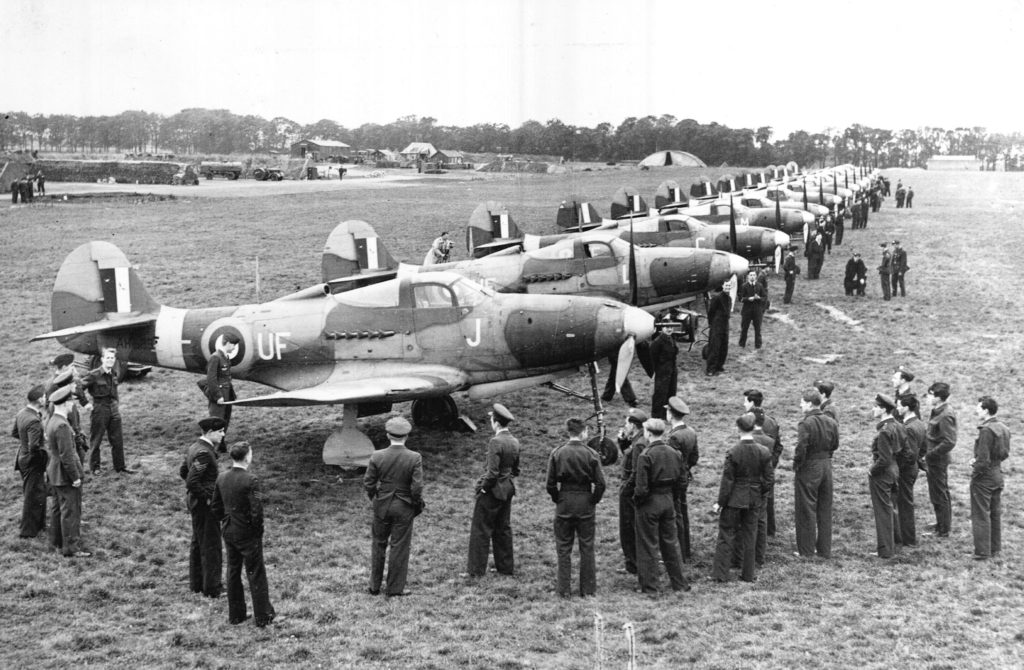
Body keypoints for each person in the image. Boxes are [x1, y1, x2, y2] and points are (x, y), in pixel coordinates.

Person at [211, 441, 277, 626]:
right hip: (248, 534)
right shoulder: (252, 480)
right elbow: (257, 510)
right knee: (256, 573)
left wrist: (226, 520)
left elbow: (215, 506)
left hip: (229, 530)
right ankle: (263, 616)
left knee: (232, 571)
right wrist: (257, 531)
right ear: (247, 456)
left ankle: (236, 615)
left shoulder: (221, 477)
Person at [545, 418, 606, 598]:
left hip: (564, 501)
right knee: (587, 546)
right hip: (585, 502)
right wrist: (593, 500)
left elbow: (550, 484)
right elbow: (601, 484)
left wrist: (559, 498)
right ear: (584, 432)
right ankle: (588, 589)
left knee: (563, 548)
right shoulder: (591, 454)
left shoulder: (557, 453)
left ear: (568, 432)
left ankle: (563, 590)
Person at [364, 416, 424, 597]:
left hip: (382, 505)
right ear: (406, 437)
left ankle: (374, 586)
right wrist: (415, 504)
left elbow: (368, 483)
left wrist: (376, 498)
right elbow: (417, 487)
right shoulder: (414, 457)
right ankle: (395, 588)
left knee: (378, 544)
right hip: (404, 507)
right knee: (399, 546)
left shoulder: (377, 456)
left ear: (388, 435)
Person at [711, 413, 773, 583]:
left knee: (726, 534)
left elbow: (727, 481)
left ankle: (720, 574)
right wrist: (760, 493)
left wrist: (720, 502)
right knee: (750, 535)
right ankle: (748, 574)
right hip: (754, 499)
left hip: (733, 499)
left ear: (738, 429)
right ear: (754, 428)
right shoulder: (764, 451)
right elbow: (769, 479)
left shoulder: (733, 451)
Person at [633, 418, 690, 593]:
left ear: (648, 433)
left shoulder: (646, 455)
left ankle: (650, 587)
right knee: (671, 544)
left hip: (650, 503)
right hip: (668, 501)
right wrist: (673, 498)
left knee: (648, 545)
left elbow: (641, 488)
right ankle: (680, 584)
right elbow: (683, 481)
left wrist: (638, 502)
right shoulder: (675, 453)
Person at [465, 404, 520, 578]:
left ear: (495, 423)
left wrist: (483, 489)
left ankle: (475, 571)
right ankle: (505, 567)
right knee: (503, 528)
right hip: (508, 488)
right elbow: (516, 469)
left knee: (480, 529)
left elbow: (492, 472)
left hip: (493, 490)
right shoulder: (514, 441)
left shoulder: (495, 442)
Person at [179, 417, 227, 598]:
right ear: (210, 433)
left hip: (195, 503)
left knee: (198, 543)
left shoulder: (194, 447)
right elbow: (192, 480)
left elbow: (183, 471)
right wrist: (209, 497)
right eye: (220, 431)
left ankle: (197, 583)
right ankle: (212, 588)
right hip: (204, 506)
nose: (223, 434)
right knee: (211, 545)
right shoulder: (205, 453)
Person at [793, 388, 839, 558]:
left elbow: (801, 448)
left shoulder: (806, 423)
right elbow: (835, 444)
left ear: (810, 404)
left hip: (809, 466)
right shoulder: (831, 422)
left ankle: (806, 551)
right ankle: (824, 550)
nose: (800, 405)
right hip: (826, 465)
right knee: (825, 508)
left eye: (802, 402)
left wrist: (797, 464)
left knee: (806, 508)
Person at [45, 384, 90, 558]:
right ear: (65, 403)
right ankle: (71, 548)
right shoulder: (63, 425)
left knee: (58, 508)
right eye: (71, 401)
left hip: (54, 472)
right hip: (65, 474)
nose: (73, 404)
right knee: (70, 510)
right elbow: (67, 456)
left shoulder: (52, 421)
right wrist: (75, 477)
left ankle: (56, 541)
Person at [81, 348, 133, 475]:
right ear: (102, 359)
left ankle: (120, 467)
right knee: (96, 439)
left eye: (112, 358)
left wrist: (116, 404)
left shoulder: (114, 373)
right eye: (107, 358)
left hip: (113, 409)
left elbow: (114, 391)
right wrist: (85, 403)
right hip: (100, 408)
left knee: (117, 440)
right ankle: (95, 468)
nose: (110, 360)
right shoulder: (94, 374)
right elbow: (78, 387)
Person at [970, 396, 1009, 560]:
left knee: (980, 514)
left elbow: (983, 460)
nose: (976, 410)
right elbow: (1005, 453)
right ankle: (994, 548)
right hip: (997, 474)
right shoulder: (1003, 427)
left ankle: (982, 551)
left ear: (986, 410)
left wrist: (974, 466)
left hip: (984, 478)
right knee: (994, 513)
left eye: (978, 407)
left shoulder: (986, 430)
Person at [743, 389, 783, 536]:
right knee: (768, 498)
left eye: (745, 401)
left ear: (752, 403)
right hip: (768, 469)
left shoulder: (746, 421)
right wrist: (772, 463)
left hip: (751, 470)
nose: (743, 404)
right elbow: (778, 446)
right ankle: (769, 530)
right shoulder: (772, 421)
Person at [12, 385, 48, 538]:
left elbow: (15, 433)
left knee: (37, 493)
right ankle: (27, 531)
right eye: (45, 397)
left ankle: (39, 525)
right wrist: (43, 455)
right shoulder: (34, 420)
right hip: (32, 461)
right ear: (40, 400)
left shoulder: (22, 413)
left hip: (23, 458)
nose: (46, 399)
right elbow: (34, 446)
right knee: (33, 495)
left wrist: (26, 443)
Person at [616, 408, 648, 575]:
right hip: (632, 489)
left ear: (634, 425)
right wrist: (622, 443)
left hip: (630, 492)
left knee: (628, 528)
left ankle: (633, 563)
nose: (624, 426)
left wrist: (625, 490)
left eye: (626, 423)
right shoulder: (638, 440)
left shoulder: (639, 443)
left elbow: (636, 471)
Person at [665, 397, 698, 560]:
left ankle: (677, 553)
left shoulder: (674, 437)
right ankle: (685, 551)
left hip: (675, 481)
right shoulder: (690, 432)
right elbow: (694, 458)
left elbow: (670, 462)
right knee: (682, 513)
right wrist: (686, 469)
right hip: (684, 477)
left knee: (675, 515)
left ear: (671, 414)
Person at [868, 395, 901, 558]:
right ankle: (895, 544)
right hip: (895, 471)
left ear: (882, 409)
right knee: (891, 508)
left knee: (883, 511)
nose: (873, 409)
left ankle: (886, 550)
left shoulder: (884, 431)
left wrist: (872, 470)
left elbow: (884, 459)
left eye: (875, 407)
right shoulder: (898, 426)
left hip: (883, 473)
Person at [923, 382, 957, 538]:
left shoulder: (945, 415)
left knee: (939, 493)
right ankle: (941, 523)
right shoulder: (938, 411)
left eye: (930, 395)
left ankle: (943, 529)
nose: (928, 397)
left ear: (938, 397)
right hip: (935, 460)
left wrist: (930, 455)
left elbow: (949, 441)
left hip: (937, 460)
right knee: (938, 492)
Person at [749, 407, 782, 565]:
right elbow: (778, 448)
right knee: (762, 518)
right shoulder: (769, 440)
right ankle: (760, 556)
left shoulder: (748, 441)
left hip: (749, 482)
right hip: (765, 479)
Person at [894, 394, 925, 548]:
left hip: (906, 470)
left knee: (905, 504)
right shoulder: (919, 423)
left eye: (899, 405)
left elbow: (909, 454)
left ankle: (908, 539)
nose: (897, 408)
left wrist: (897, 467)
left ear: (906, 408)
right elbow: (923, 448)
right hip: (913, 468)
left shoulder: (909, 428)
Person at [205, 333, 239, 449]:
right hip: (219, 396)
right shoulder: (216, 357)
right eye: (234, 345)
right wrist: (217, 396)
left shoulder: (225, 357)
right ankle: (211, 448)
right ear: (228, 343)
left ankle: (221, 443)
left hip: (227, 394)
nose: (234, 347)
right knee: (216, 421)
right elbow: (211, 378)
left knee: (225, 419)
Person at [648, 327, 678, 419]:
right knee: (660, 393)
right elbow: (652, 358)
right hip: (662, 371)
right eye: (667, 327)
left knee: (671, 392)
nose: (669, 329)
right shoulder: (657, 342)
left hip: (672, 370)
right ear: (662, 328)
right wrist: (656, 371)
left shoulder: (672, 338)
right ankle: (656, 415)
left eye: (671, 327)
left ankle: (666, 414)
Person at [705, 283, 731, 376]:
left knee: (724, 346)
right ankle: (710, 369)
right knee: (715, 346)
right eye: (726, 286)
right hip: (716, 325)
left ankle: (719, 366)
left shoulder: (729, 299)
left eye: (729, 286)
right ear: (723, 286)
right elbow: (711, 311)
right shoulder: (717, 297)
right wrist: (712, 324)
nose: (727, 287)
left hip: (725, 325)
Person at [737, 270, 766, 349]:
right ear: (748, 277)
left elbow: (764, 297)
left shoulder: (760, 286)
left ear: (756, 276)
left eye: (753, 275)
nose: (752, 276)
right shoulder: (744, 286)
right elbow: (740, 298)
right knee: (744, 328)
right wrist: (748, 299)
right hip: (747, 310)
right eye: (751, 275)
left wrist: (759, 298)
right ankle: (741, 344)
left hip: (757, 310)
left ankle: (758, 346)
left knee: (758, 329)